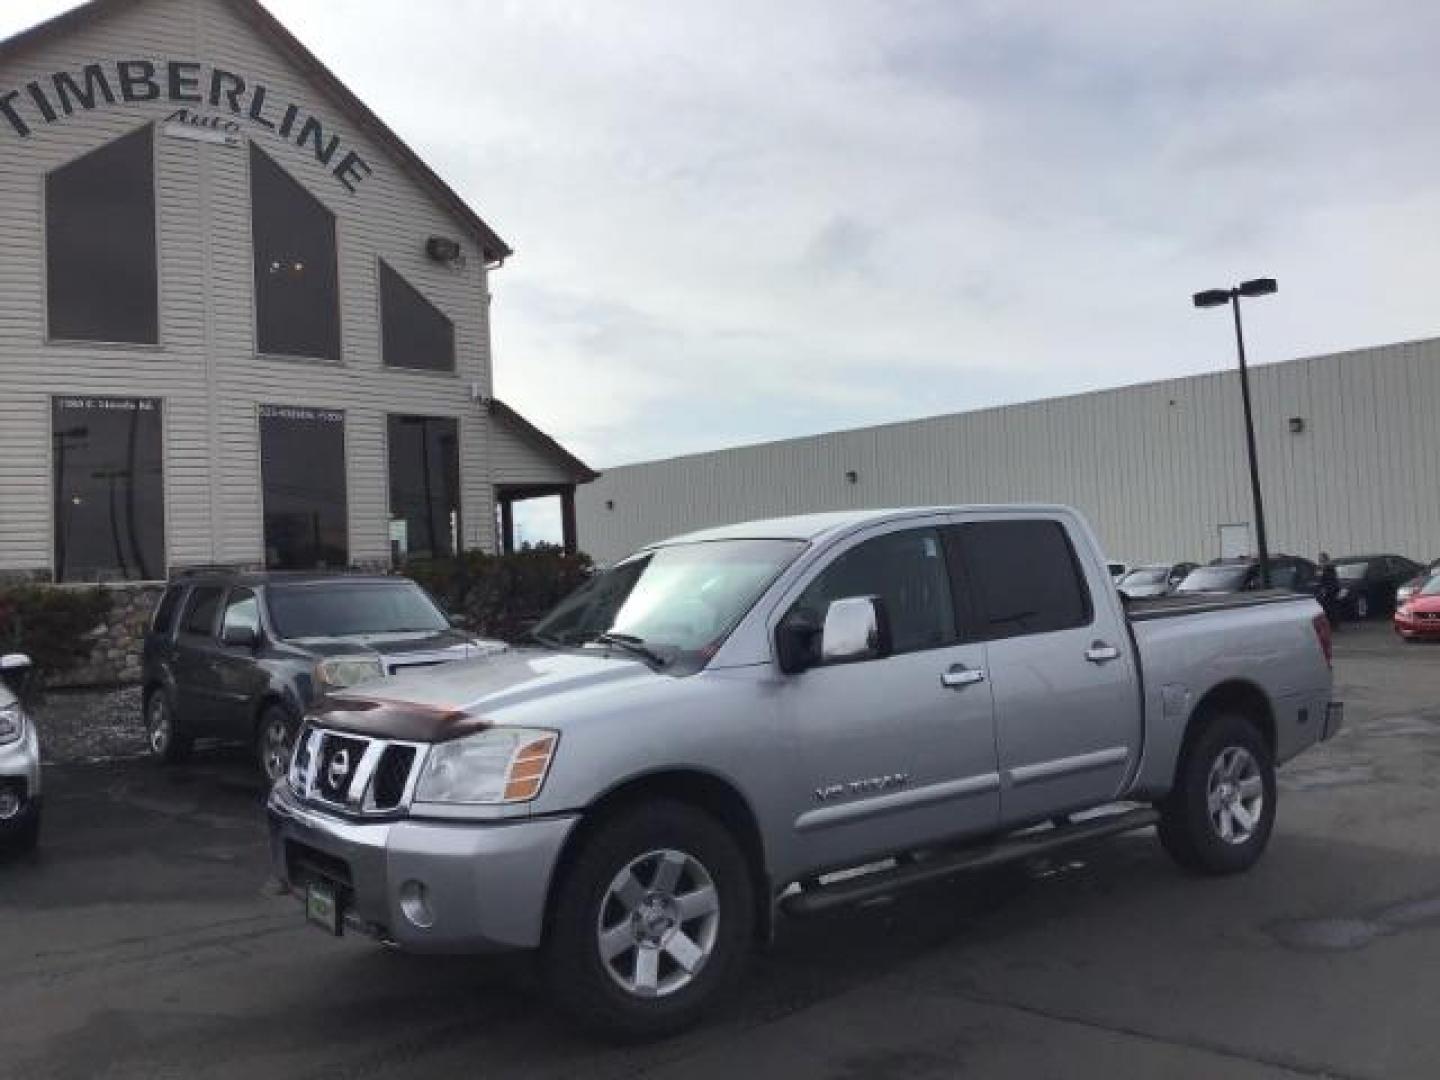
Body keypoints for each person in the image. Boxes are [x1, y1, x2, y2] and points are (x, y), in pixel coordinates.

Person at [1316, 552, 1341, 627]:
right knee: (1328, 607)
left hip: (1330, 590)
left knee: (1330, 608)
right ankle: (1332, 624)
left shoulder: (1329, 568)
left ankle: (1333, 624)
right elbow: (1320, 579)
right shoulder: (1322, 568)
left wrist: (1325, 589)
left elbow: (1329, 580)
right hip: (1327, 589)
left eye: (1321, 559)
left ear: (1325, 559)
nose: (1320, 561)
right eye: (1319, 559)